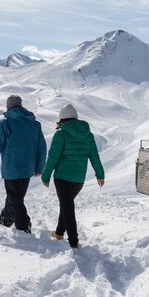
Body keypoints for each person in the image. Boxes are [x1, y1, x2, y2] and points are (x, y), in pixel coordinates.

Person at [41, 103, 105, 248]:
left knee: (67, 207)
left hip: (62, 178)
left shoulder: (61, 134)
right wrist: (100, 175)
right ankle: (58, 233)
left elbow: (53, 157)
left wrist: (46, 175)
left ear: (62, 119)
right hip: (79, 179)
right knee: (66, 205)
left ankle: (74, 242)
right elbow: (94, 156)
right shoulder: (88, 135)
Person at [0, 94, 47, 234]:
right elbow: (42, 148)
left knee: (16, 198)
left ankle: (24, 226)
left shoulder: (5, 124)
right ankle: (5, 219)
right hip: (28, 169)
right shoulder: (34, 124)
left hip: (11, 168)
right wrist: (39, 167)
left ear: (9, 107)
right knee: (16, 196)